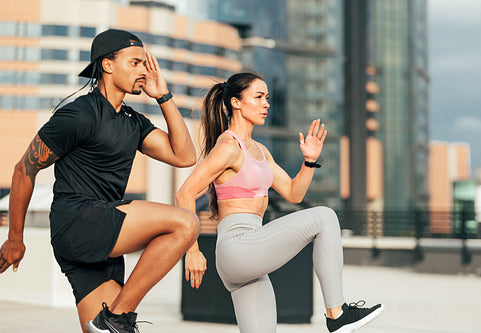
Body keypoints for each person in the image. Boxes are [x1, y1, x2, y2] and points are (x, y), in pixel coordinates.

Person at [0, 29, 200, 333]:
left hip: (105, 233)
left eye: (145, 64)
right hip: (79, 222)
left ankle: (114, 319)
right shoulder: (79, 115)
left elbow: (184, 156)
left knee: (105, 332)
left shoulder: (134, 122)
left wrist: (164, 97)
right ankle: (117, 317)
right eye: (135, 63)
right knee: (186, 223)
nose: (145, 71)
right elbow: (23, 169)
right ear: (107, 64)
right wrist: (15, 238)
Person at [175, 72, 385, 333]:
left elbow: (294, 194)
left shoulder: (261, 151)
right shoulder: (229, 147)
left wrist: (309, 161)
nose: (266, 104)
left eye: (267, 98)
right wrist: (192, 252)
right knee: (325, 217)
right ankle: (337, 313)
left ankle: (337, 315)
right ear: (236, 103)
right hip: (237, 247)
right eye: (259, 97)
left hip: (252, 254)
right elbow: (184, 193)